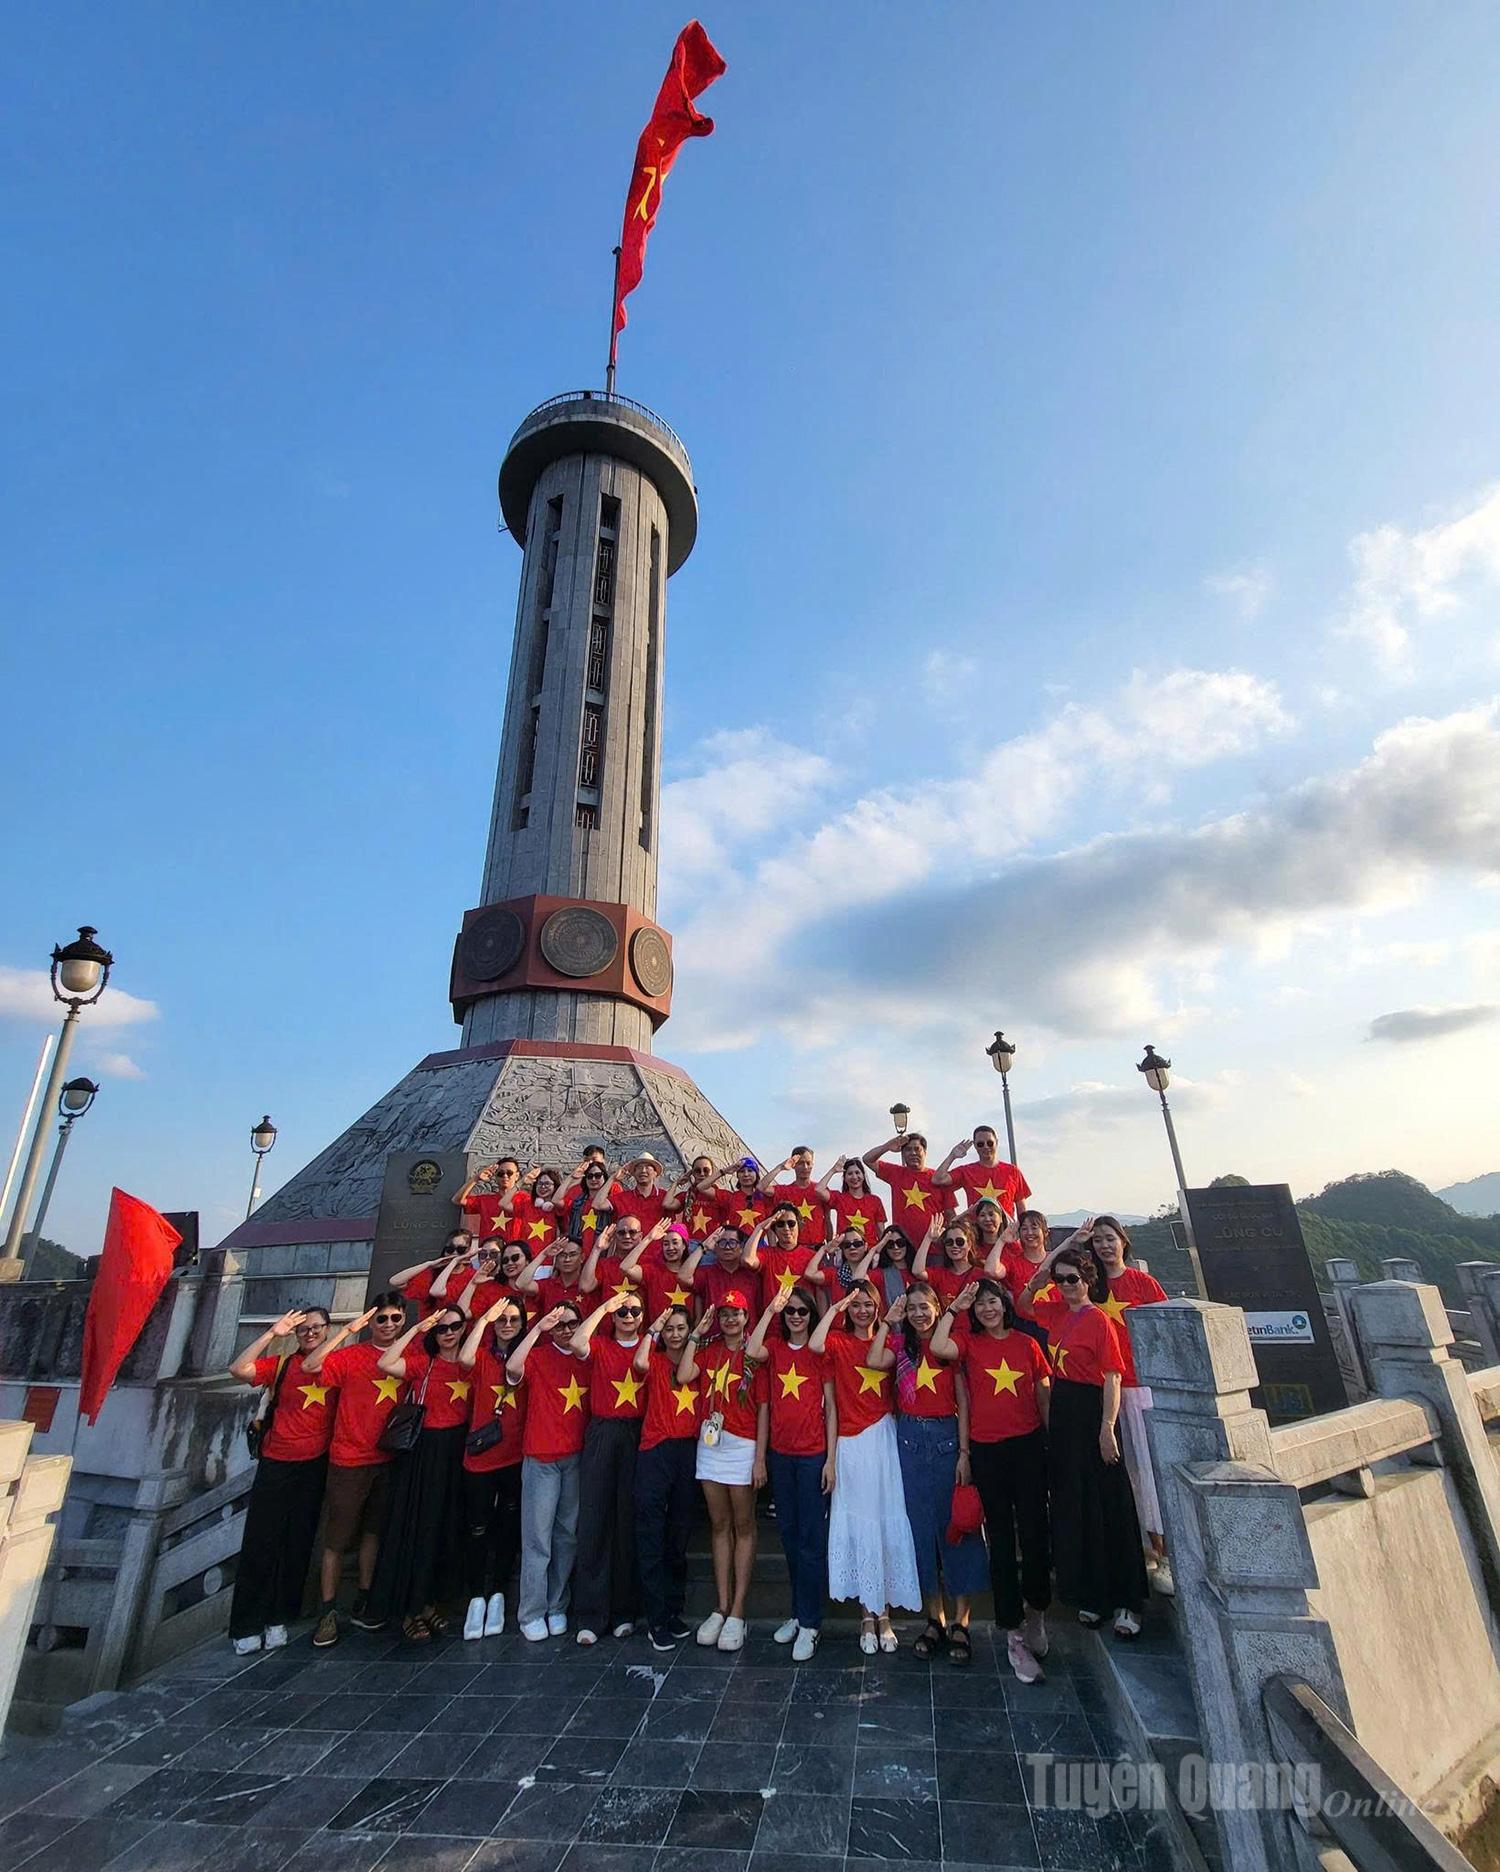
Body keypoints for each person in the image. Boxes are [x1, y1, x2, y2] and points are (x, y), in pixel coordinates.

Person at [932, 1278, 1053, 1682]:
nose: (987, 1309)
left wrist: (1049, 1441)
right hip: (987, 1451)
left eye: (992, 1301)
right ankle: (1013, 1632)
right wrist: (953, 1307)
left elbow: (1043, 1394)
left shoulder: (1026, 1344)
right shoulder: (969, 1344)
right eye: (980, 1304)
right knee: (1000, 1540)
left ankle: (1036, 1613)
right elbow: (937, 1346)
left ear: (1004, 1305)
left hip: (1029, 1446)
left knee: (1035, 1534)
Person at [1029, 1245, 1148, 1638]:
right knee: (1075, 1504)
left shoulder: (1099, 1321)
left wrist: (1107, 1426)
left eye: (1072, 1279)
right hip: (1063, 1412)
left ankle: (1126, 1601)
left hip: (1093, 1411)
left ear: (1087, 1281)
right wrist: (1048, 1265)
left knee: (1109, 1503)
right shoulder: (1057, 1313)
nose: (1065, 1286)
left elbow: (1113, 1375)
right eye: (1060, 1280)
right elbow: (1024, 1300)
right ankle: (1091, 1595)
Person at [809, 1282, 922, 1654]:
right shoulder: (837, 1344)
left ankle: (884, 1613)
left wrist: (888, 1324)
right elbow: (815, 1347)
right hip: (850, 1444)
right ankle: (866, 1614)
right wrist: (830, 1457)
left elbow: (879, 1361)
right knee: (860, 1524)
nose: (862, 1311)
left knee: (886, 1519)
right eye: (855, 1305)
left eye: (868, 1304)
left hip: (884, 1438)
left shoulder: (891, 1342)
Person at [888, 1283, 988, 1667]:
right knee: (922, 1530)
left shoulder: (953, 1343)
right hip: (911, 1439)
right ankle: (935, 1617)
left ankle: (962, 1619)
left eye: (924, 1306)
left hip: (947, 1439)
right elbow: (877, 1357)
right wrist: (889, 1320)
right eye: (911, 1307)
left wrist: (964, 1452)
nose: (918, 1313)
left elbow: (963, 1399)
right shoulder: (900, 1347)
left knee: (955, 1528)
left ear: (937, 1307)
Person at [300, 1294, 409, 1646]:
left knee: (373, 1533)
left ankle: (364, 1597)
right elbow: (311, 1366)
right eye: (382, 1319)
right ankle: (328, 1610)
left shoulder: (409, 1356)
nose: (389, 1325)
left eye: (395, 1318)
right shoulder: (349, 1356)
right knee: (336, 1540)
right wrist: (347, 1331)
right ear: (370, 1321)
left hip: (388, 1460)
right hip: (349, 1460)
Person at [227, 1307, 336, 1654]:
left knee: (297, 1545)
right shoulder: (282, 1365)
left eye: (317, 1328)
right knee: (261, 1544)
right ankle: (246, 1623)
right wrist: (272, 1334)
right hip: (276, 1462)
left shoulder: (336, 1364)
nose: (310, 1334)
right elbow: (238, 1369)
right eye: (304, 1329)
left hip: (315, 1464)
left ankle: (279, 1617)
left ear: (328, 1330)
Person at [366, 1306, 473, 1642]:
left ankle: (430, 1603)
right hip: (425, 1450)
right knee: (418, 1528)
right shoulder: (423, 1364)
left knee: (445, 1529)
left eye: (455, 1327)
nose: (449, 1333)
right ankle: (410, 1608)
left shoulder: (471, 1361)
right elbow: (385, 1363)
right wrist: (413, 1331)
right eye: (442, 1329)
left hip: (459, 1448)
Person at [1083, 1216, 1172, 1594]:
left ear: (1123, 1241)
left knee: (1150, 1471)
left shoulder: (1143, 1283)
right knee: (1121, 1473)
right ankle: (1136, 1549)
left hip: (1139, 1387)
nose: (1105, 1246)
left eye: (1110, 1239)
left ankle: (1164, 1552)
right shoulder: (1088, 1287)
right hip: (1100, 1389)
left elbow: (1168, 1326)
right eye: (1098, 1241)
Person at [678, 1290, 768, 1652]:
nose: (730, 1319)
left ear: (748, 1318)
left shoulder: (753, 1355)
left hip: (743, 1446)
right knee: (719, 1526)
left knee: (744, 1526)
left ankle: (738, 1611)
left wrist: (760, 1458)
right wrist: (696, 1334)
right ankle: (721, 1604)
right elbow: (685, 1374)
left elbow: (763, 1409)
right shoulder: (708, 1348)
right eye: (725, 1314)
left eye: (737, 1314)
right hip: (711, 1445)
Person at [746, 1286, 829, 1661]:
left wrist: (830, 1460)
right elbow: (751, 1350)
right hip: (781, 1456)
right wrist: (771, 1310)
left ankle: (811, 1623)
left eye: (802, 1312)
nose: (796, 1316)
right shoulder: (776, 1350)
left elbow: (832, 1408)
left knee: (811, 1543)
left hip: (813, 1457)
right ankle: (797, 1613)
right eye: (791, 1312)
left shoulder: (819, 1353)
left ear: (812, 1316)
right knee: (790, 1538)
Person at [568, 1291, 648, 1644]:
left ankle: (624, 1610)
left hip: (636, 1433)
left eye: (634, 1310)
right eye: (623, 1310)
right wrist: (604, 1307)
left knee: (626, 1521)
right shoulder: (600, 1344)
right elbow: (576, 1342)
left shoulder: (648, 1349)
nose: (628, 1315)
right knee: (595, 1520)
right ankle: (590, 1613)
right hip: (602, 1431)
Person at [507, 1299, 589, 1641]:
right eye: (560, 1325)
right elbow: (512, 1369)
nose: (566, 1330)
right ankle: (531, 1611)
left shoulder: (587, 1356)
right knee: (537, 1539)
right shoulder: (538, 1356)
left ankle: (557, 1605)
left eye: (572, 1323)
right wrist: (537, 1329)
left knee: (566, 1536)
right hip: (541, 1457)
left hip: (576, 1458)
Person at [455, 1294, 529, 1639]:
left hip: (514, 1455)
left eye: (514, 1319)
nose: (508, 1325)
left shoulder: (527, 1356)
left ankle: (498, 1591)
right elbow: (465, 1357)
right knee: (477, 1528)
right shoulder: (483, 1356)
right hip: (481, 1456)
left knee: (508, 1525)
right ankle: (475, 1596)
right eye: (504, 1319)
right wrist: (485, 1318)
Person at [632, 1303, 700, 1650]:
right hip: (655, 1452)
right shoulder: (655, 1360)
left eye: (680, 1328)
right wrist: (653, 1328)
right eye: (670, 1329)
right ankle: (655, 1618)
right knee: (652, 1536)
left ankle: (673, 1611)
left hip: (687, 1452)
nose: (675, 1334)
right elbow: (639, 1362)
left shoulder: (695, 1365)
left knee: (678, 1538)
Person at [862, 1129, 947, 1239]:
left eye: (917, 1149)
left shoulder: (937, 1178)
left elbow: (949, 1212)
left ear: (925, 1152)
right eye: (908, 1150)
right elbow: (867, 1159)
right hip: (903, 1247)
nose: (913, 1153)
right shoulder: (896, 1173)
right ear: (903, 1154)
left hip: (934, 1247)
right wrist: (888, 1146)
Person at [933, 1125, 1031, 1219]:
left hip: (1006, 1231)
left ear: (996, 1142)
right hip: (976, 1232)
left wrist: (1021, 1231)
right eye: (980, 1144)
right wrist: (952, 1156)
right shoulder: (966, 1171)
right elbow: (937, 1179)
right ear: (975, 1146)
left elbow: (1021, 1207)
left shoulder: (1012, 1171)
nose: (985, 1147)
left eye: (990, 1143)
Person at [744, 1206, 826, 1303]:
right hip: (772, 1317)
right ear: (774, 1228)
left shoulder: (813, 1257)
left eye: (791, 1223)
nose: (786, 1228)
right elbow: (747, 1260)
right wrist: (760, 1227)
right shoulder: (766, 1254)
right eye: (780, 1224)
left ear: (799, 1225)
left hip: (803, 1316)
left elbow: (820, 1294)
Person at [691, 1227, 764, 1322]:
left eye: (733, 1242)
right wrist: (703, 1247)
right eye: (722, 1242)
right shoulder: (706, 1273)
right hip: (713, 1335)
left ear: (741, 1247)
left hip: (749, 1335)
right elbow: (683, 1277)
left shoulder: (754, 1274)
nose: (727, 1247)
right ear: (715, 1247)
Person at [762, 1146, 830, 1248]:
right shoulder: (785, 1191)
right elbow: (762, 1187)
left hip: (818, 1250)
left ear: (812, 1164)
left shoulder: (820, 1190)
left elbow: (828, 1220)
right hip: (794, 1250)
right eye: (801, 1163)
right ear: (793, 1165)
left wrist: (830, 1246)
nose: (805, 1167)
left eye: (808, 1163)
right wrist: (781, 1167)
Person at [823, 1156, 887, 1245]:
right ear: (844, 1178)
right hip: (846, 1249)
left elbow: (881, 1231)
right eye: (849, 1174)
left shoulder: (875, 1201)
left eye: (857, 1173)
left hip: (869, 1251)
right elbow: (819, 1190)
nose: (854, 1177)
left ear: (863, 1176)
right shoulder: (839, 1198)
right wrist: (833, 1170)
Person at [912, 1215, 977, 1304]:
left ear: (969, 1244)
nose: (954, 1246)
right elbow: (917, 1271)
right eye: (949, 1242)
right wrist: (928, 1238)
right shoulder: (940, 1274)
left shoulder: (979, 1273)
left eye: (960, 1242)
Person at [455, 1157, 523, 1238]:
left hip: (516, 1248)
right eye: (500, 1173)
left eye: (509, 1173)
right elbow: (458, 1200)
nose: (505, 1176)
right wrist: (476, 1178)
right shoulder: (485, 1200)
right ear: (496, 1177)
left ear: (517, 1176)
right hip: (490, 1248)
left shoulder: (526, 1200)